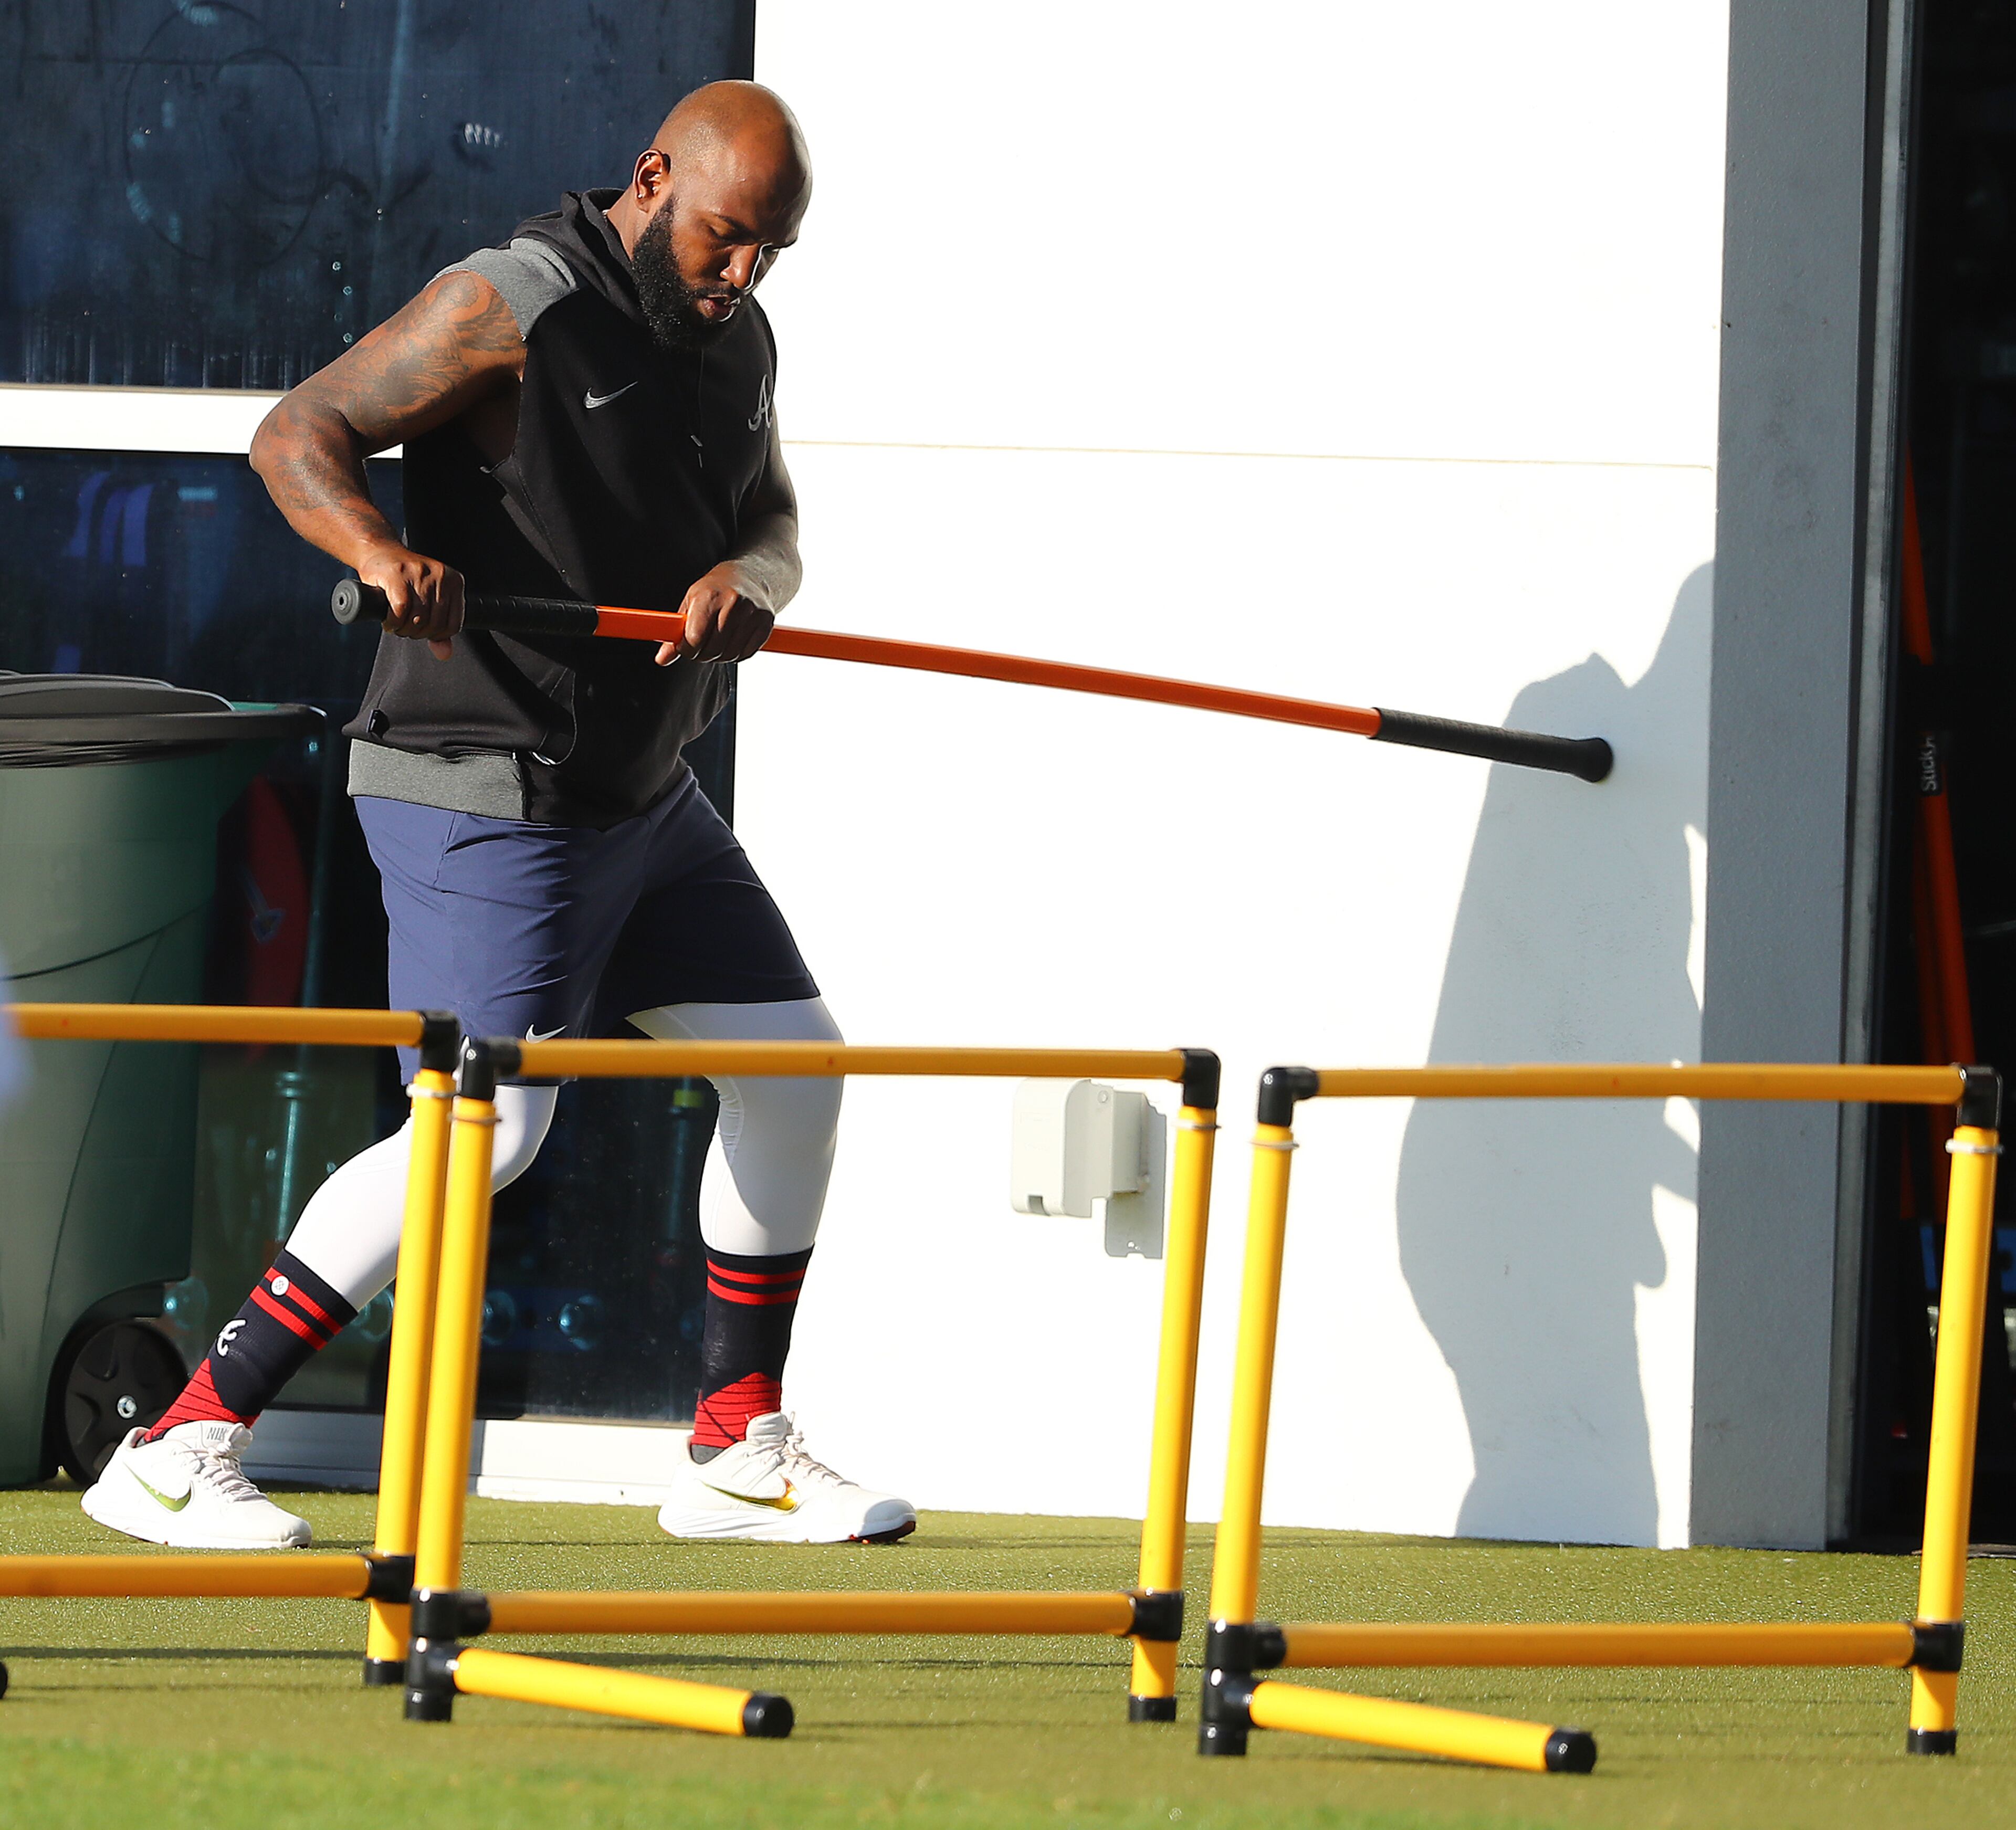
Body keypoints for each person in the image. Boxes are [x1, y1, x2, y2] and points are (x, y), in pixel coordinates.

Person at [80, 81, 914, 1551]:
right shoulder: (514, 301)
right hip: (485, 784)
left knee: (793, 1069)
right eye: (726, 239)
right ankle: (182, 1437)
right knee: (489, 1126)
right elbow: (300, 433)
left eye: (772, 252)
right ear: (655, 177)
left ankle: (733, 1445)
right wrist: (378, 546)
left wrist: (752, 591)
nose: (744, 277)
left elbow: (773, 524)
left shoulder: (743, 344)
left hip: (645, 794)